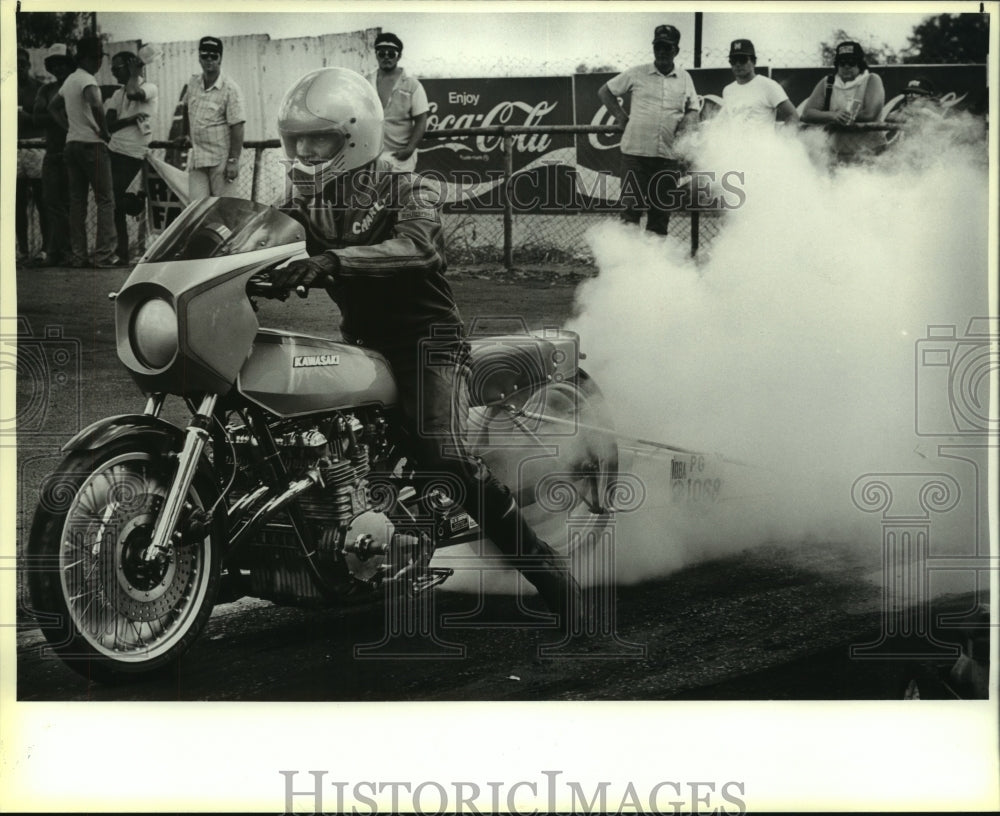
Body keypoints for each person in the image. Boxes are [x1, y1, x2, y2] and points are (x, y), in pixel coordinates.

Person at [268, 68, 584, 634]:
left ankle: (550, 574)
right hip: (363, 348)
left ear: (356, 136)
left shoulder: (410, 187)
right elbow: (256, 233)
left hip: (427, 343)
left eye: (320, 140)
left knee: (443, 452)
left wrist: (332, 260)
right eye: (298, 141)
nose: (306, 152)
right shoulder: (304, 204)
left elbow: (417, 249)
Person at [597, 24, 700, 236]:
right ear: (654, 48)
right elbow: (605, 91)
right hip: (636, 155)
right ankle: (627, 264)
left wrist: (688, 121)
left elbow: (693, 109)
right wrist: (620, 115)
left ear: (676, 51)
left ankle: (654, 265)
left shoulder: (684, 78)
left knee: (660, 213)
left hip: (668, 156)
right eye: (658, 46)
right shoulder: (636, 73)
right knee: (630, 211)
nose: (662, 51)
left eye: (667, 47)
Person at [49, 36, 117, 268]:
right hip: (93, 145)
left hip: (72, 143)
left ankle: (79, 255)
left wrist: (68, 127)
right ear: (90, 58)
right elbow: (96, 105)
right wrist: (104, 131)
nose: (99, 63)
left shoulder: (69, 80)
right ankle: (103, 255)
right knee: (105, 199)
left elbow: (52, 107)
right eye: (98, 58)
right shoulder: (88, 80)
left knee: (77, 202)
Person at [106, 49, 159, 264]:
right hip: (114, 148)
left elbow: (133, 94)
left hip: (133, 152)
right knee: (111, 200)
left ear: (129, 66)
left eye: (118, 68)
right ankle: (120, 251)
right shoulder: (116, 95)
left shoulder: (149, 88)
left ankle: (122, 250)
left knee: (114, 197)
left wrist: (134, 73)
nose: (114, 73)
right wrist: (129, 120)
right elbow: (108, 125)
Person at [801, 41, 886, 163]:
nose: (846, 66)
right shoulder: (828, 82)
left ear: (860, 64)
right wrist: (833, 115)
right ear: (837, 65)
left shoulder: (872, 79)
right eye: (842, 63)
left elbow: (870, 114)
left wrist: (839, 117)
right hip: (836, 153)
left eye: (852, 62)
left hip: (869, 152)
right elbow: (807, 114)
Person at [182, 36, 245, 199]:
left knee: (224, 210)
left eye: (213, 56)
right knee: (197, 210)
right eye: (205, 56)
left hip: (221, 161)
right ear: (199, 58)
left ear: (220, 58)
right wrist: (185, 134)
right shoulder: (193, 83)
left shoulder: (230, 88)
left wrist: (233, 160)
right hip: (198, 159)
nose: (209, 60)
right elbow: (185, 107)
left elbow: (237, 125)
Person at [32, 44, 74, 267]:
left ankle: (65, 251)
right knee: (51, 202)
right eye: (54, 63)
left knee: (69, 203)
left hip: (71, 153)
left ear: (70, 64)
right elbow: (37, 118)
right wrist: (59, 113)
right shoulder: (46, 91)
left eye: (62, 63)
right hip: (52, 152)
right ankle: (57, 250)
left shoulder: (76, 86)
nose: (59, 67)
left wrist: (53, 111)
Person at [366, 32, 429, 172]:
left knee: (400, 193)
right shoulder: (366, 83)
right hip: (371, 157)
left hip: (400, 158)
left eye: (391, 53)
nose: (386, 57)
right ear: (376, 55)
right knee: (372, 194)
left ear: (399, 56)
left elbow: (421, 120)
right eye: (382, 53)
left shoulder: (413, 85)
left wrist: (410, 149)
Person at [720, 39, 799, 126]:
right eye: (733, 60)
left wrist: (784, 138)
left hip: (762, 140)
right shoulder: (728, 90)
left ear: (754, 62)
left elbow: (792, 116)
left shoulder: (768, 85)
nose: (738, 64)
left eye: (742, 59)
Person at [16, 47, 46, 264]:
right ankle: (22, 250)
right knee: (16, 203)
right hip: (12, 147)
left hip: (35, 146)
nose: (17, 67)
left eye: (21, 62)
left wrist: (24, 115)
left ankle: (45, 249)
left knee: (42, 199)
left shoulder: (39, 89)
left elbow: (43, 120)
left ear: (27, 64)